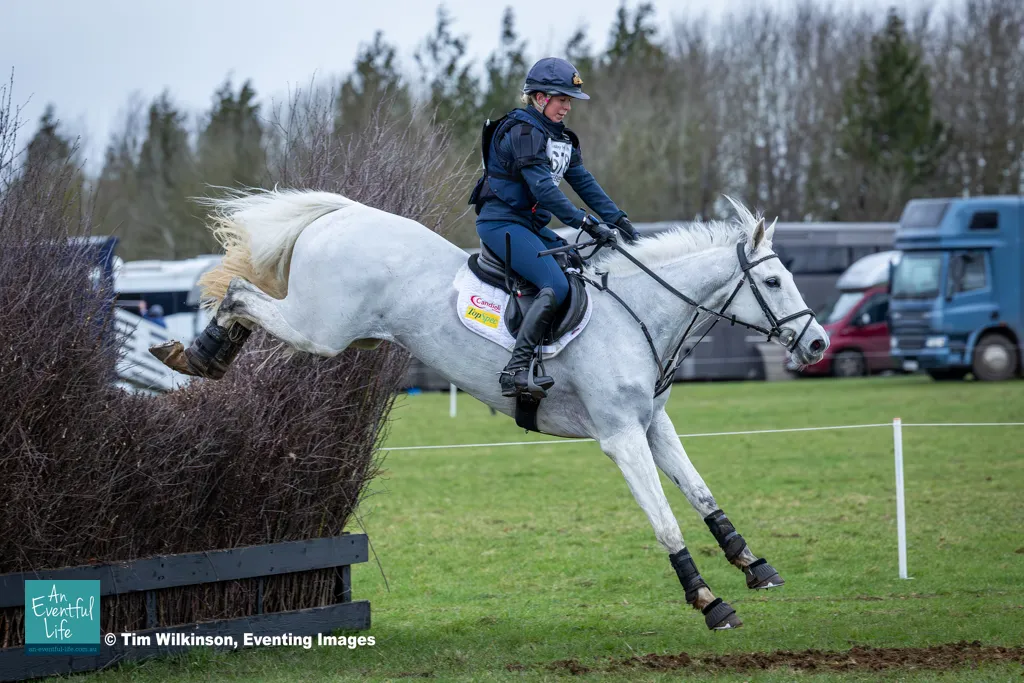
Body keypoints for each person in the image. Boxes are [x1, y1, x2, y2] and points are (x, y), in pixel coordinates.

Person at [469, 57, 639, 399]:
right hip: (501, 224)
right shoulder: (523, 132)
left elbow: (584, 182)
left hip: (530, 226)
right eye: (562, 99)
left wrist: (619, 220)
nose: (567, 107)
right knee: (556, 284)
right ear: (540, 98)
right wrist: (587, 223)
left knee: (579, 267)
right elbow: (544, 190)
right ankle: (515, 370)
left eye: (569, 101)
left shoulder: (560, 138)